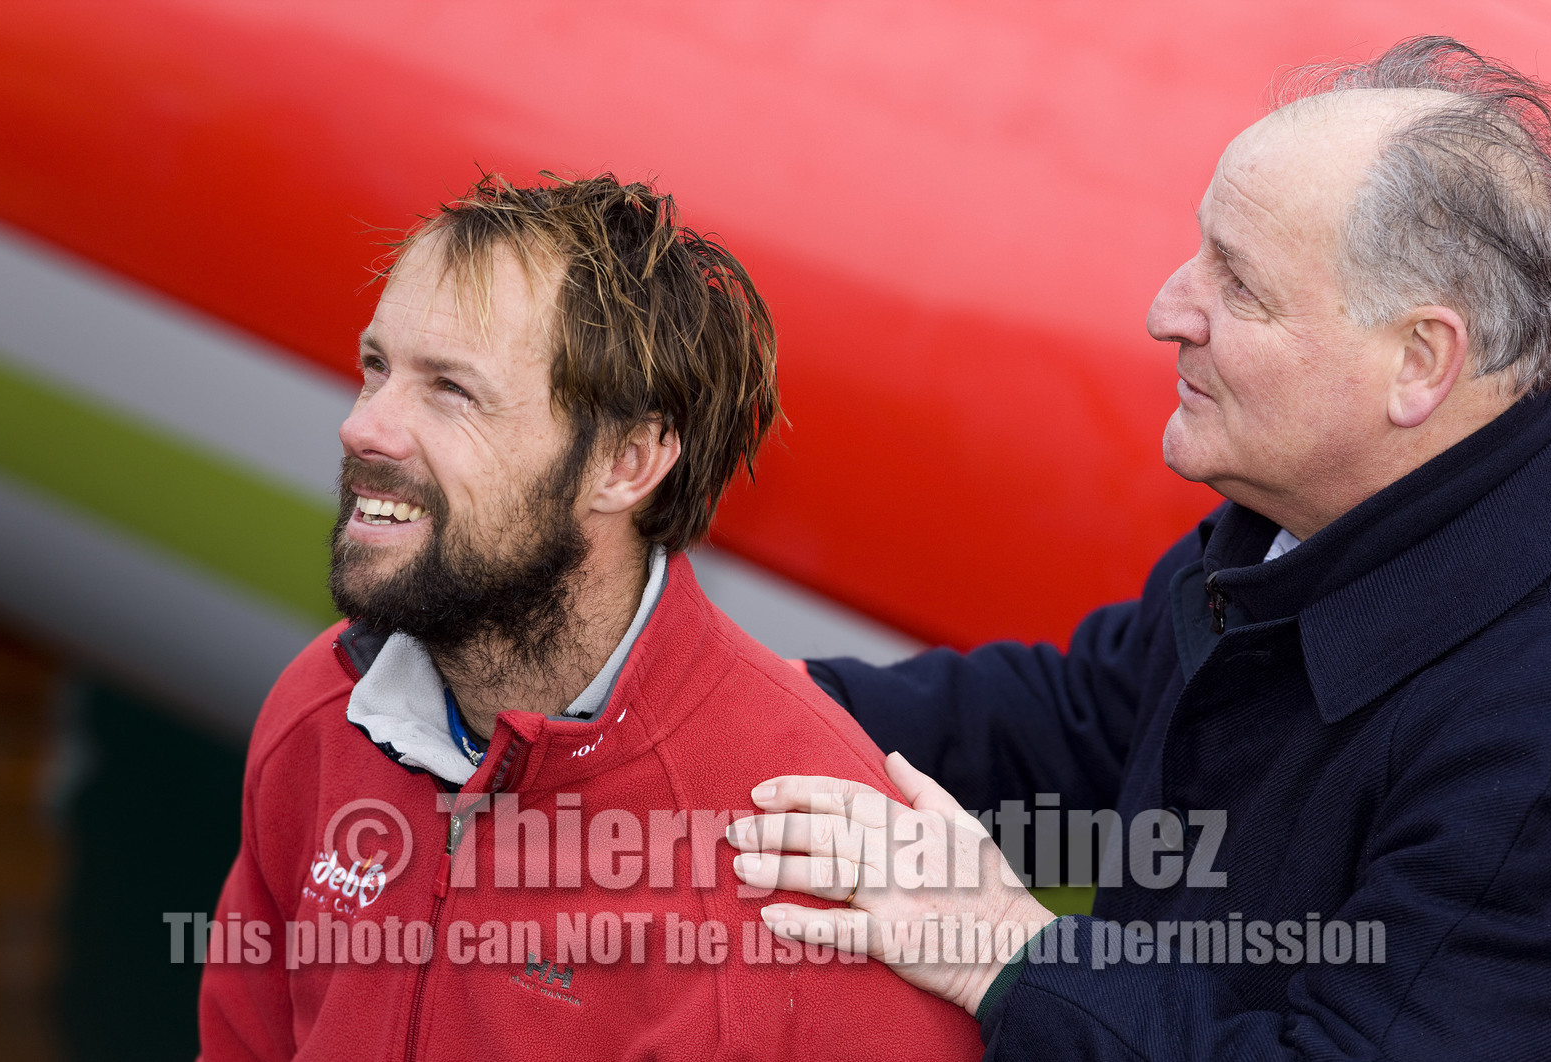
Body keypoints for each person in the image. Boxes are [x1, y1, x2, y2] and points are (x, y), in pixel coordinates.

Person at [727, 37, 1551, 1060]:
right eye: (1200, 251)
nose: (1166, 310)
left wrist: (1007, 951)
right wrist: (754, 701)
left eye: (1240, 285)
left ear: (1420, 363)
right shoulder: (1314, 516)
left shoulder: (1534, 744)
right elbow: (1092, 722)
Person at [198, 175, 981, 1060]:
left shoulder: (805, 879)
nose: (364, 427)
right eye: (376, 367)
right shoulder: (321, 707)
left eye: (451, 389)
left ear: (626, 463)